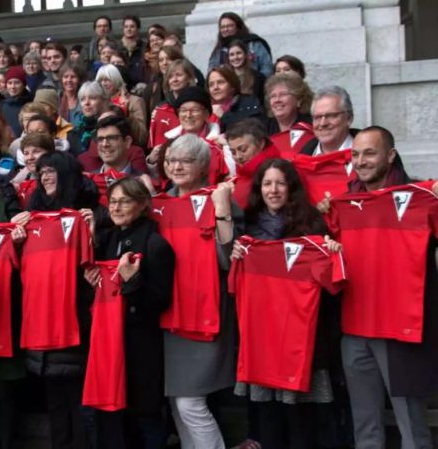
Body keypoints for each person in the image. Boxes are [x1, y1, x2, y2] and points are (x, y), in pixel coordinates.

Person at [328, 126, 438, 449]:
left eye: (370, 153)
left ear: (390, 156)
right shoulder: (344, 201)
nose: (361, 161)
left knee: (412, 424)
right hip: (355, 325)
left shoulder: (421, 196)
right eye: (355, 154)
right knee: (364, 423)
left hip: (400, 326)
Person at [231, 158, 342, 449]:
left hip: (302, 339)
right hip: (263, 340)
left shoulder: (312, 224)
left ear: (291, 187)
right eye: (267, 183)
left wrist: (330, 253)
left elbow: (332, 286)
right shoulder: (248, 230)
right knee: (269, 421)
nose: (273, 189)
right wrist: (237, 257)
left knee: (302, 422)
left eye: (280, 183)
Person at [11, 151, 98, 449]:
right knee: (56, 402)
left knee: (81, 402)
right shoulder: (31, 215)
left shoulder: (89, 214)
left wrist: (94, 231)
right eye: (42, 172)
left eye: (52, 170)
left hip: (77, 323)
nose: (45, 176)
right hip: (42, 325)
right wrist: (17, 240)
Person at [160, 134, 239, 449]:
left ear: (203, 165)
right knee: (177, 404)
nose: (176, 166)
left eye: (185, 160)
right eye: (171, 160)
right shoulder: (159, 203)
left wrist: (222, 212)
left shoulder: (219, 199)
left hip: (206, 314)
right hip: (168, 317)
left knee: (190, 404)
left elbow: (227, 260)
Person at [85, 177, 173, 449]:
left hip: (141, 346)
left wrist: (132, 281)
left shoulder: (156, 244)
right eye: (112, 201)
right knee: (118, 420)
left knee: (146, 417)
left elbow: (160, 302)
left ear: (143, 204)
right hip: (111, 342)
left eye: (124, 201)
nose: (116, 207)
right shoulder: (108, 239)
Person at [145, 87, 231, 185]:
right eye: (183, 110)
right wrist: (152, 162)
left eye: (194, 110)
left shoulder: (220, 145)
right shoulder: (169, 142)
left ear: (207, 114)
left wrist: (227, 148)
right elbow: (160, 181)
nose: (188, 115)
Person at [224, 119, 282, 209]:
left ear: (261, 143)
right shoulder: (236, 180)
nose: (238, 156)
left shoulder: (280, 171)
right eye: (233, 152)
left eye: (243, 149)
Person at [149, 59, 198, 150]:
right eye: (170, 77)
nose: (174, 79)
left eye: (179, 75)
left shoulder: (199, 108)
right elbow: (155, 147)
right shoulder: (159, 111)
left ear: (189, 78)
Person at [208, 12, 273, 77]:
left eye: (230, 26)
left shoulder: (254, 44)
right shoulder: (219, 50)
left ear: (238, 27)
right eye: (223, 27)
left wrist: (259, 82)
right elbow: (212, 71)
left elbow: (266, 67)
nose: (226, 29)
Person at [264, 73, 314, 155]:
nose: (277, 100)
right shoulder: (264, 129)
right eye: (273, 96)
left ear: (299, 100)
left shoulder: (311, 128)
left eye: (283, 94)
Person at [300, 86, 357, 156]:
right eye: (317, 117)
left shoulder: (368, 156)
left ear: (349, 118)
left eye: (331, 115)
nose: (323, 123)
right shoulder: (303, 158)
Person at [95, 65, 147, 140]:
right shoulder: (98, 103)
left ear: (116, 79)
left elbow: (142, 137)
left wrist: (126, 114)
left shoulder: (135, 101)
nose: (103, 84)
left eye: (107, 80)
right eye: (100, 81)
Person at [207, 66, 263, 133]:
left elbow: (251, 132)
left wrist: (224, 116)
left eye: (220, 82)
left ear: (232, 85)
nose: (215, 87)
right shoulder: (206, 109)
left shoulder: (250, 103)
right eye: (211, 85)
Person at [0, 66, 32, 137]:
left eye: (17, 83)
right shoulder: (3, 105)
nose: (13, 87)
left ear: (23, 85)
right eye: (10, 83)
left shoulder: (31, 103)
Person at [120, 15, 147, 85]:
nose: (128, 29)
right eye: (126, 27)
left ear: (138, 29)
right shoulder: (117, 47)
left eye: (132, 26)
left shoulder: (145, 47)